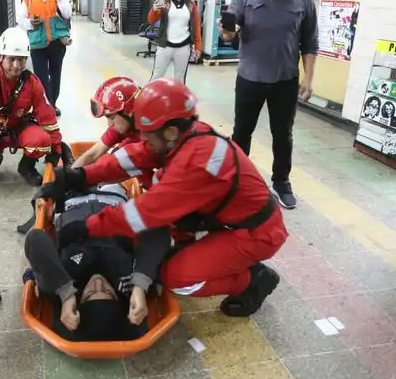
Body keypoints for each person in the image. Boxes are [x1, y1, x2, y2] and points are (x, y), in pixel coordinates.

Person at [48, 78, 287, 317]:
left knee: (172, 276)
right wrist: (79, 176)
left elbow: (144, 212)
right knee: (167, 240)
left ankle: (252, 279)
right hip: (229, 219)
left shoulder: (197, 163)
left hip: (256, 234)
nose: (143, 139)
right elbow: (134, 157)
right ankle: (202, 253)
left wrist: (86, 228)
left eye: (146, 134)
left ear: (170, 130)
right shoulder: (185, 135)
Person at [220, 0, 318, 210]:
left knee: (282, 135)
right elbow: (230, 32)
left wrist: (308, 79)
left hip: (285, 81)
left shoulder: (304, 2)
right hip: (249, 79)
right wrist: (227, 31)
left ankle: (281, 182)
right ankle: (237, 182)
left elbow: (310, 43)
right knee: (242, 132)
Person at [23, 182, 171, 340]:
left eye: (90, 293)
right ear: (119, 297)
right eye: (108, 292)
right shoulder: (129, 283)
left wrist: (66, 294)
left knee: (74, 170)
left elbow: (35, 239)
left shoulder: (60, 284)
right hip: (113, 199)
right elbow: (159, 230)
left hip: (73, 198)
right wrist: (141, 285)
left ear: (79, 302)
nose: (98, 283)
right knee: (101, 164)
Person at [0, 26, 71, 187]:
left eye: (21, 59)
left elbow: (48, 117)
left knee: (42, 140)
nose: (17, 65)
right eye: (11, 59)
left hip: (16, 128)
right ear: (0, 56)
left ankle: (26, 166)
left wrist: (56, 148)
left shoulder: (32, 83)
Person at [18, 0, 72, 116]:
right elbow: (20, 18)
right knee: (41, 77)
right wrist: (30, 23)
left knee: (56, 75)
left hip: (57, 43)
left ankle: (52, 104)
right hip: (37, 44)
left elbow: (67, 13)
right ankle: (44, 105)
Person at [72, 76, 143, 171]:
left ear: (129, 111)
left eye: (112, 118)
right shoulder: (123, 124)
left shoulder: (151, 137)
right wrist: (70, 175)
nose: (110, 124)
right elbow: (93, 153)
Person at [147, 0, 201, 83]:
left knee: (179, 79)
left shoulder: (191, 5)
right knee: (156, 77)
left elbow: (196, 26)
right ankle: (150, 99)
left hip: (184, 47)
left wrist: (198, 47)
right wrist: (154, 10)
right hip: (164, 45)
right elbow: (151, 20)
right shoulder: (164, 2)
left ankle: (178, 100)